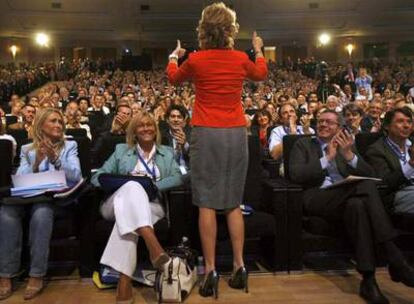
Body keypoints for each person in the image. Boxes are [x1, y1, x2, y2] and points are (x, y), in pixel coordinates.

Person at [166, 2, 267, 298]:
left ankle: (210, 271)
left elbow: (173, 77)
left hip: (206, 132)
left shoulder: (196, 60)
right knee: (233, 202)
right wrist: (258, 48)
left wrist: (175, 56)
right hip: (236, 132)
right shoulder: (238, 58)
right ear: (230, 30)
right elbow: (260, 73)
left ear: (203, 30)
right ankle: (239, 267)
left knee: (207, 203)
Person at [289, 110, 414, 304]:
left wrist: (348, 156)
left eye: (329, 122)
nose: (323, 125)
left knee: (357, 206)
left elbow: (371, 174)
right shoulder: (303, 144)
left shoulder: (347, 145)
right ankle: (394, 256)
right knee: (363, 187)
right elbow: (296, 175)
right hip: (317, 196)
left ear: (339, 128)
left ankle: (368, 280)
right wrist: (327, 159)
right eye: (320, 121)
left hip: (347, 197)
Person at [91, 112, 183, 303]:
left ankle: (124, 281)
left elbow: (177, 177)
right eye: (141, 126)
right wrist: (122, 185)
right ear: (133, 131)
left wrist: (152, 186)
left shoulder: (167, 152)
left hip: (152, 205)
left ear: (156, 130)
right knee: (133, 186)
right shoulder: (121, 150)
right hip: (114, 205)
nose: (146, 128)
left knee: (131, 215)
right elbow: (97, 176)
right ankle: (152, 243)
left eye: (150, 125)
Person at [0, 108, 81, 301]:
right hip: (28, 196)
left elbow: (76, 175)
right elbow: (20, 178)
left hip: (53, 199)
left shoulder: (70, 145)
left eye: (60, 122)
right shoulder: (27, 149)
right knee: (6, 212)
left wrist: (55, 160)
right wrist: (36, 164)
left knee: (42, 213)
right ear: (41, 125)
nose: (58, 125)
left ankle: (36, 275)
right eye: (53, 121)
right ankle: (5, 275)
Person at [366, 108, 414, 214]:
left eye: (409, 121)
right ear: (387, 126)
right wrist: (410, 165)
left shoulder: (412, 144)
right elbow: (384, 184)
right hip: (397, 194)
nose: (406, 125)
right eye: (400, 121)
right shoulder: (376, 150)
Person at [160, 104, 191, 170]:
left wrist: (185, 145)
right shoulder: (162, 137)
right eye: (173, 116)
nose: (176, 120)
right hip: (170, 172)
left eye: (179, 117)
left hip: (188, 171)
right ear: (167, 120)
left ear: (183, 121)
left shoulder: (191, 135)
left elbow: (197, 157)